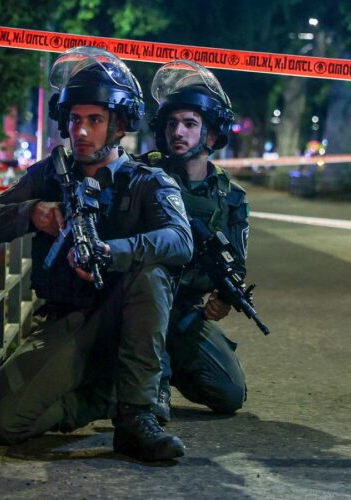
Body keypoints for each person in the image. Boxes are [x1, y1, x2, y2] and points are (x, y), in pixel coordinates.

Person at [0, 47, 193, 461]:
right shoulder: (48, 175)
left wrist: (114, 252)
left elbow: (180, 240)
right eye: (75, 119)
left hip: (125, 318)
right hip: (67, 319)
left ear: (118, 125)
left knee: (151, 274)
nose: (82, 131)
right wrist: (33, 212)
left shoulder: (148, 181)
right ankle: (104, 397)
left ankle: (135, 417)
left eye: (95, 120)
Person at [143, 60, 248, 422]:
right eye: (172, 123)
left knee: (229, 393)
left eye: (190, 124)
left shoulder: (230, 198)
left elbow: (235, 259)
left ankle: (163, 368)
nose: (178, 131)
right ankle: (143, 380)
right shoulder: (142, 176)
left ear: (212, 136)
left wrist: (223, 299)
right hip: (132, 306)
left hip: (185, 311)